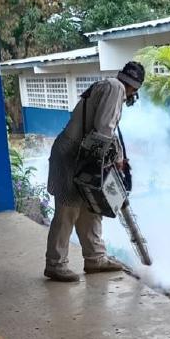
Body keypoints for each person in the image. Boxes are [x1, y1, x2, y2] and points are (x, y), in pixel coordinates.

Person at [44, 61, 146, 282]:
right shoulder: (116, 88)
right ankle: (55, 264)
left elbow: (104, 130)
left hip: (82, 153)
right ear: (134, 88)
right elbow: (103, 129)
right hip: (71, 155)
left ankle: (95, 259)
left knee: (91, 208)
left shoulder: (109, 86)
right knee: (68, 210)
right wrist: (115, 158)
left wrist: (117, 156)